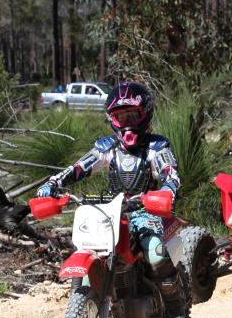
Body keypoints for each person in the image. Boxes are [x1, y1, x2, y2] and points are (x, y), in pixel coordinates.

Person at [36, 81, 184, 299]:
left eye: (132, 115)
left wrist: (168, 190)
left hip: (146, 210)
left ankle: (174, 299)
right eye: (120, 117)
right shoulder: (107, 147)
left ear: (145, 115)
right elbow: (79, 167)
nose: (127, 123)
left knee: (154, 252)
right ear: (112, 119)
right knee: (87, 246)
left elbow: (169, 172)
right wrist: (54, 183)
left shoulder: (156, 147)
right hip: (110, 211)